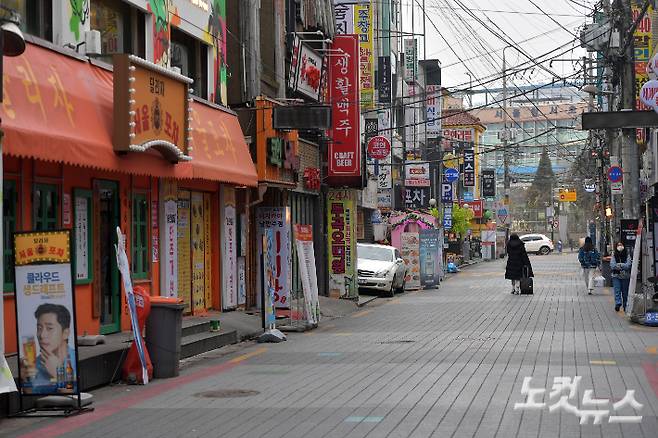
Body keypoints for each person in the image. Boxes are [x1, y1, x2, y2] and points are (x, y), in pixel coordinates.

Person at [20, 303, 77, 393]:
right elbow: (31, 396)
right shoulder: (36, 363)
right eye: (39, 328)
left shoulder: (75, 360)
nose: (42, 335)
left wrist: (58, 373)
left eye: (49, 328)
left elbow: (73, 397)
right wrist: (25, 379)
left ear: (65, 333)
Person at [611, 242, 632, 312]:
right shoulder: (614, 255)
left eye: (621, 245)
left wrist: (619, 265)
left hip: (625, 276)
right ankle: (618, 303)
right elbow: (612, 265)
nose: (620, 246)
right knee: (617, 291)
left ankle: (625, 306)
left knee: (625, 292)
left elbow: (628, 265)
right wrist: (623, 266)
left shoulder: (627, 255)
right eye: (618, 245)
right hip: (616, 276)